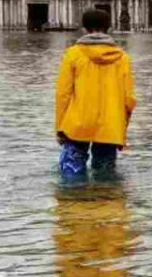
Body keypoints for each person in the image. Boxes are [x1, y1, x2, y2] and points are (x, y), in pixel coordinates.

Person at [55, 9, 136, 178]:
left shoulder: (73, 54)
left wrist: (60, 128)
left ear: (84, 28)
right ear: (109, 28)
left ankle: (73, 204)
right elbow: (128, 100)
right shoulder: (123, 58)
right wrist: (121, 130)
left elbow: (63, 94)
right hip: (110, 127)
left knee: (70, 182)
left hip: (77, 126)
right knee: (106, 182)